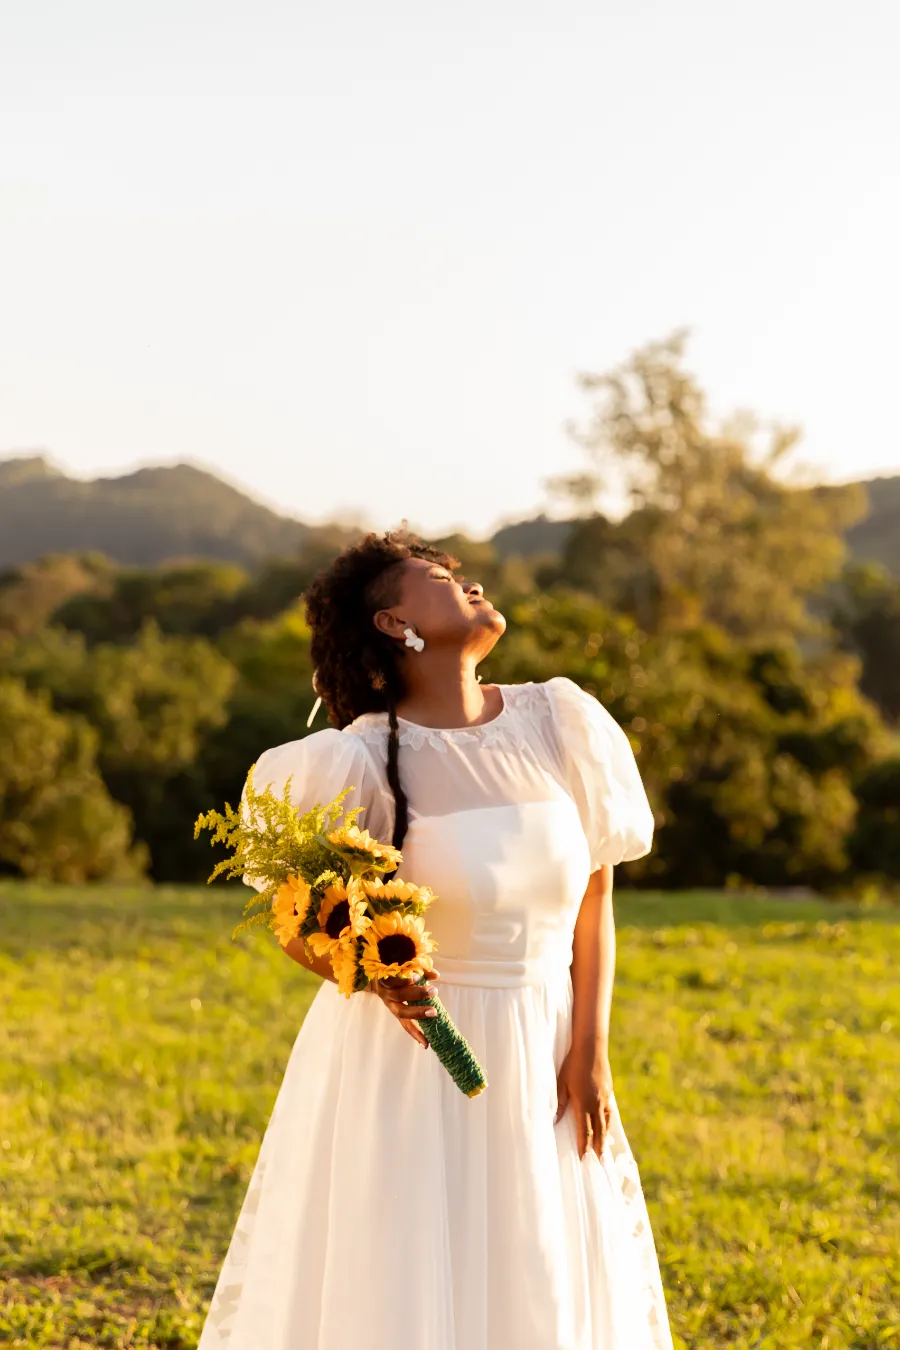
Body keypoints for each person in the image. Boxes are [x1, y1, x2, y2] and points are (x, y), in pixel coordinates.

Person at [198, 531, 674, 1350]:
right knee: (411, 1280)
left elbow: (595, 891)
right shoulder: (355, 761)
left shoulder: (558, 720)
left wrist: (590, 1051)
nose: (469, 582)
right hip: (413, 1066)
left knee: (538, 1265)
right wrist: (365, 974)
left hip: (547, 1046)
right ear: (394, 624)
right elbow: (301, 919)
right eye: (439, 578)